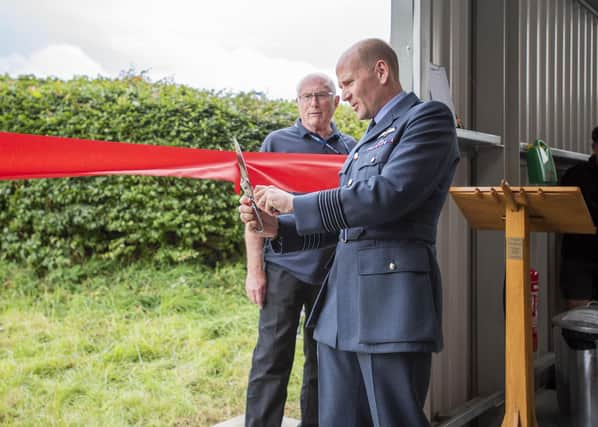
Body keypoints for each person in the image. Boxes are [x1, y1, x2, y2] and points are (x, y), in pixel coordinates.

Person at [240, 38, 459, 427]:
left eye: (346, 84)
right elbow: (347, 225)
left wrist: (294, 203)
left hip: (389, 306)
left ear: (381, 71)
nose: (343, 96)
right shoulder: (367, 140)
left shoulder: (427, 120)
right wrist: (278, 229)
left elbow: (384, 197)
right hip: (339, 311)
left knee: (394, 418)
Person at [244, 72, 356, 427]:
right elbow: (254, 211)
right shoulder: (276, 143)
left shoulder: (350, 148)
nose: (313, 103)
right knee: (271, 359)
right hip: (284, 268)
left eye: (322, 95)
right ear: (297, 102)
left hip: (332, 272)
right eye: (306, 96)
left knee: (322, 363)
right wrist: (255, 270)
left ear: (336, 102)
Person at [559, 126, 598, 309]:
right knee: (578, 320)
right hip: (579, 257)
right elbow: (563, 215)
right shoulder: (575, 176)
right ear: (594, 147)